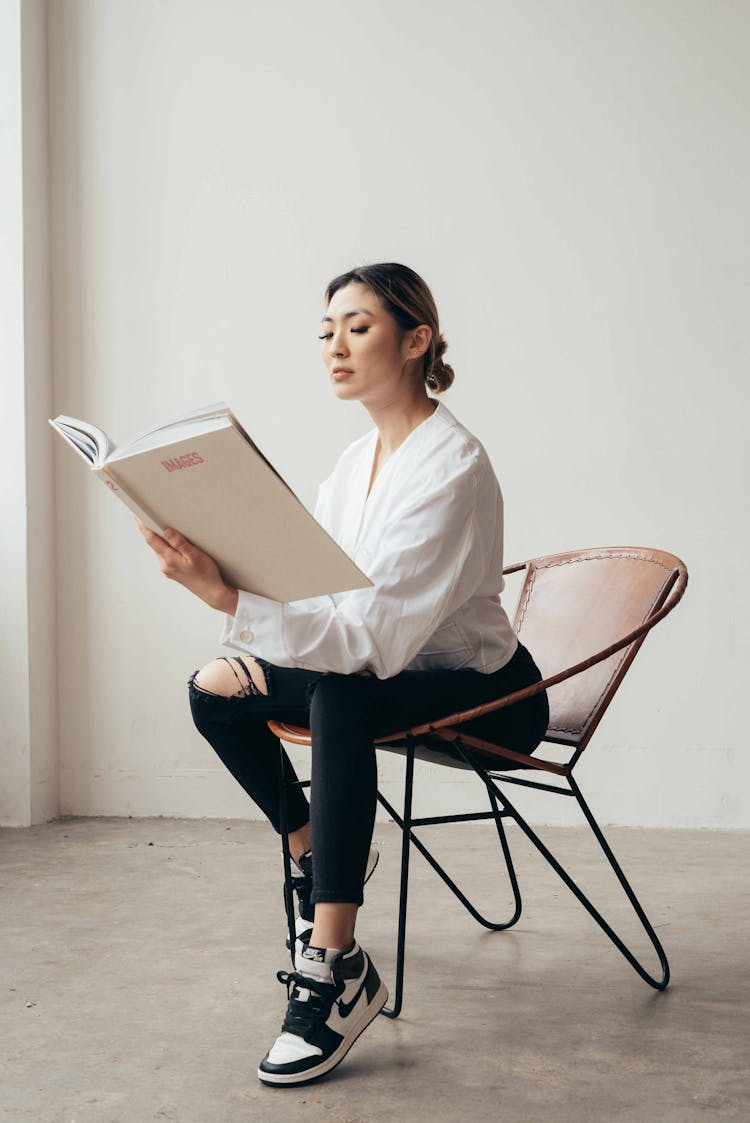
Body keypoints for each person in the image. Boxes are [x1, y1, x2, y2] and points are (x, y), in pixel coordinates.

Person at [137, 262, 549, 1087]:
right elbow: (320, 597)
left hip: (491, 694)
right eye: (326, 330)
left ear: (417, 339)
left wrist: (231, 595)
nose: (335, 345)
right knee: (214, 686)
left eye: (357, 326)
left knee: (341, 693)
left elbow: (374, 645)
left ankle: (335, 967)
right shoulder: (354, 459)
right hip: (374, 674)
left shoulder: (451, 467)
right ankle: (310, 844)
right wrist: (235, 567)